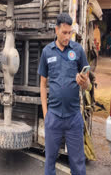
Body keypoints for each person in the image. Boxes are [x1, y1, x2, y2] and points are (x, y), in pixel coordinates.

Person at [38, 13, 90, 175]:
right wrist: (46, 113)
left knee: (78, 163)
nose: (68, 37)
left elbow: (87, 85)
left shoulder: (77, 50)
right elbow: (42, 83)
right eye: (64, 33)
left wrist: (84, 82)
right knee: (50, 162)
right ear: (56, 30)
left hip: (73, 117)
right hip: (53, 116)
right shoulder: (47, 52)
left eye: (70, 33)